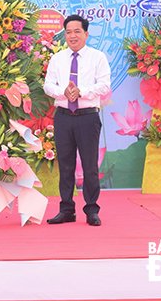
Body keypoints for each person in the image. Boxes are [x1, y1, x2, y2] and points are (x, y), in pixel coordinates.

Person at [43, 15, 111, 226]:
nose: (72, 36)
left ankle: (91, 210)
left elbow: (104, 85)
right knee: (65, 165)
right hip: (63, 117)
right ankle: (66, 210)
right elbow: (48, 86)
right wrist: (63, 92)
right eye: (69, 32)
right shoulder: (58, 58)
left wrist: (82, 92)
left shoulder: (97, 57)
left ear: (86, 34)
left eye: (77, 31)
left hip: (87, 117)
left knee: (90, 166)